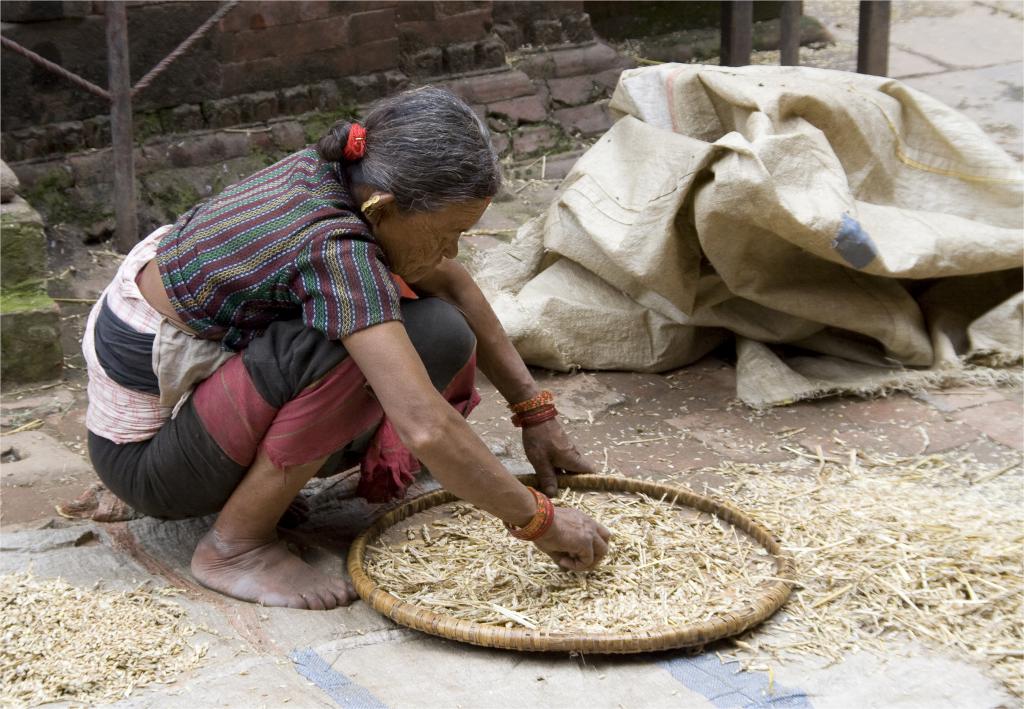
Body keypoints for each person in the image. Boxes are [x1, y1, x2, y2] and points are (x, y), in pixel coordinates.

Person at [83, 87, 611, 611]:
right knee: (354, 347)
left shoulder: (345, 175)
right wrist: (538, 519)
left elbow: (450, 283)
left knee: (439, 328)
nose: (452, 251)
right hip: (152, 468)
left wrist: (534, 414)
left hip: (194, 427)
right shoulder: (334, 246)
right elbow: (423, 425)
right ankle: (234, 546)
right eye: (448, 234)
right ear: (381, 207)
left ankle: (256, 502)